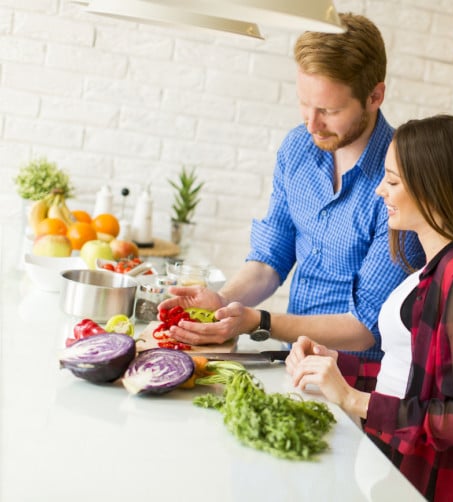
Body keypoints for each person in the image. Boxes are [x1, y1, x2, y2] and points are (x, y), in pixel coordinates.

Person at [159, 13, 422, 360]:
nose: (312, 123)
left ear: (375, 96)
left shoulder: (403, 182)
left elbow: (365, 329)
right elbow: (271, 258)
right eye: (304, 103)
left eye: (328, 109)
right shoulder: (298, 149)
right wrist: (224, 302)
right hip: (294, 361)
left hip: (361, 386)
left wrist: (258, 321)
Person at [285, 114, 453, 502]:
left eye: (392, 181)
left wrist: (351, 399)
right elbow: (404, 375)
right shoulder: (433, 268)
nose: (380, 191)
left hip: (415, 481)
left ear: (434, 188)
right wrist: (338, 365)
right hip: (384, 462)